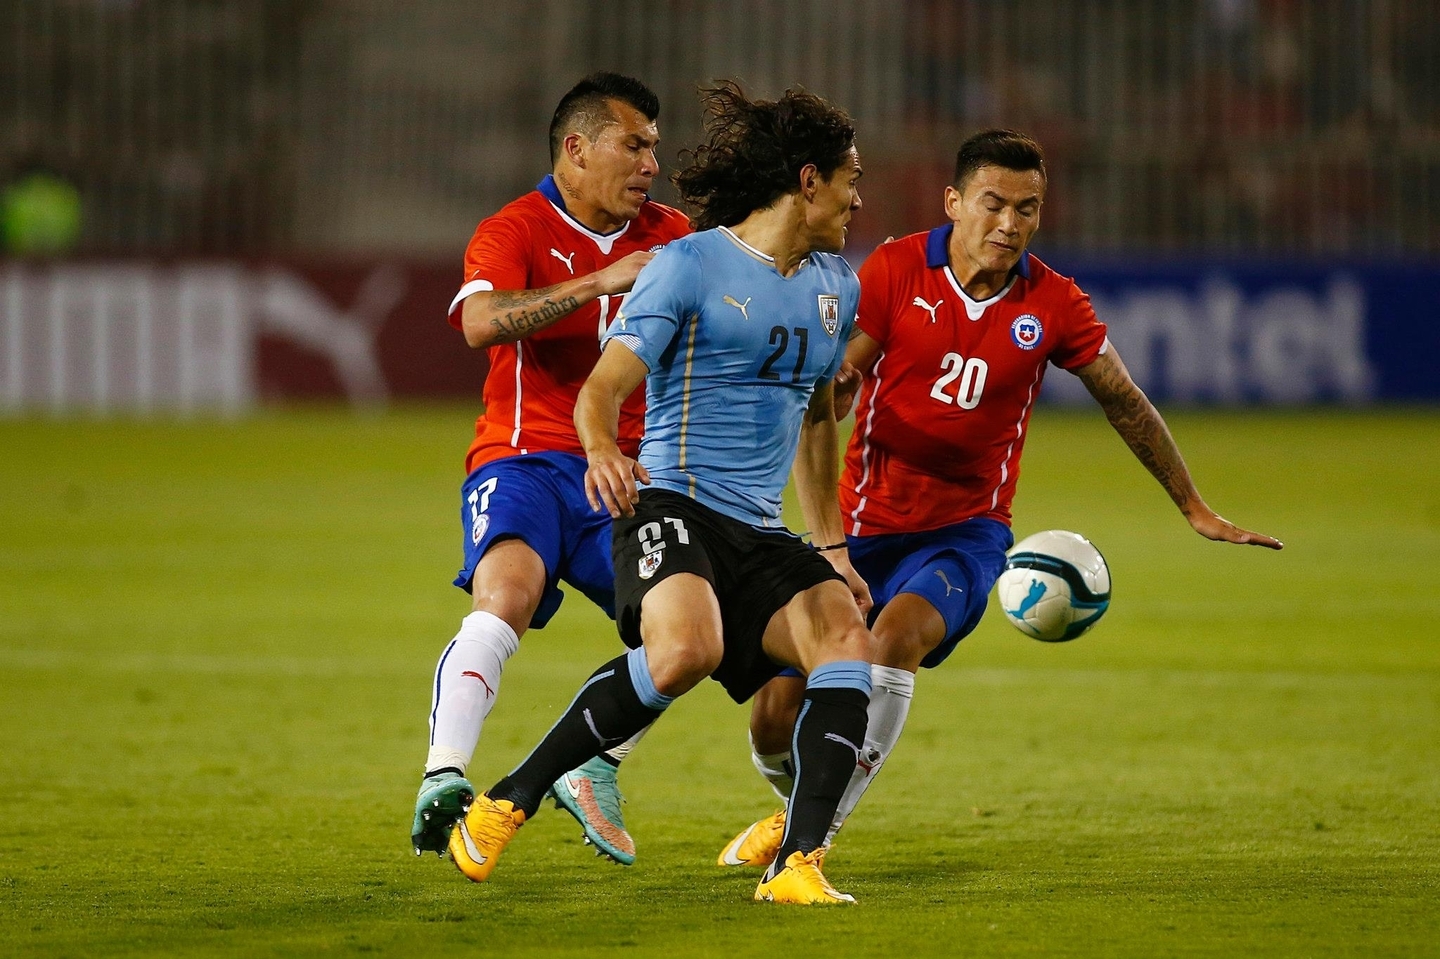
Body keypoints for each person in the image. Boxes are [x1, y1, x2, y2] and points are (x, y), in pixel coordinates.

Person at [716, 129, 1285, 869]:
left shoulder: (1053, 302)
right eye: (993, 204)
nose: (1010, 224)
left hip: (964, 535)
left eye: (1028, 208)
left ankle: (808, 843)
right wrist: (841, 387)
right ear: (954, 203)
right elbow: (837, 380)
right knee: (772, 717)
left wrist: (1193, 506)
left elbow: (1125, 400)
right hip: (858, 529)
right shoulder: (894, 269)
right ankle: (800, 805)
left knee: (895, 637)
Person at [446, 83, 876, 905]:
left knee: (847, 641)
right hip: (671, 504)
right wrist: (602, 449)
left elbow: (820, 422)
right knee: (686, 652)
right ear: (810, 180)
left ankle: (799, 864)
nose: (860, 199)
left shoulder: (834, 287)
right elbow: (602, 387)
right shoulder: (690, 264)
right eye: (853, 179)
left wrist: (831, 548)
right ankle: (508, 799)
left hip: (759, 526)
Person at [411, 73, 691, 867]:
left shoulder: (676, 235)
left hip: (628, 476)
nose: (649, 165)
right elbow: (480, 321)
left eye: (655, 150)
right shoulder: (517, 226)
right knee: (508, 594)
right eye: (634, 144)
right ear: (576, 147)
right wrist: (600, 280)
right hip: (525, 456)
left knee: (687, 631)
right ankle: (444, 775)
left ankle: (595, 765)